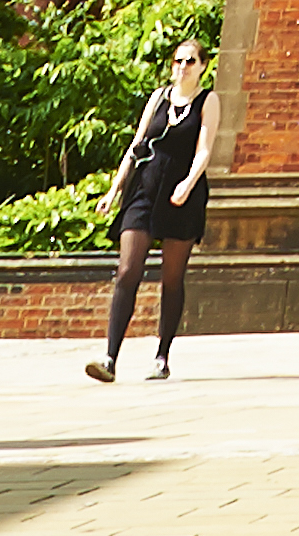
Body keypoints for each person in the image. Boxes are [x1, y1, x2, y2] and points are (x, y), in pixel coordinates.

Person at [85, 37, 213, 382]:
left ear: (202, 66)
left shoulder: (207, 101)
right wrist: (114, 189)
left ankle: (162, 355)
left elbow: (204, 149)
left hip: (180, 194)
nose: (182, 67)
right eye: (178, 61)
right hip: (144, 189)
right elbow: (136, 145)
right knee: (128, 270)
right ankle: (110, 357)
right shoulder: (158, 98)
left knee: (171, 276)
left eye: (190, 61)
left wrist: (188, 183)